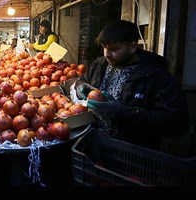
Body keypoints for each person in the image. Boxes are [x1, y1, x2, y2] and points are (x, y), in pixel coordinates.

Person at [74, 20, 189, 150]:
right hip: (96, 145)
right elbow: (82, 80)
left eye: (114, 49)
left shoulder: (155, 76)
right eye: (104, 47)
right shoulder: (100, 65)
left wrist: (121, 112)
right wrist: (80, 86)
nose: (106, 54)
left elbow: (177, 123)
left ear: (133, 47)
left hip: (132, 154)